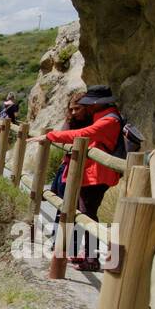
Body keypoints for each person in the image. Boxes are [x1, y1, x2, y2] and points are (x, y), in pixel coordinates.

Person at [30, 85, 124, 270]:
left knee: (88, 214)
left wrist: (50, 136)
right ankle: (85, 255)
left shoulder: (108, 121)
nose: (87, 107)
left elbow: (83, 134)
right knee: (83, 213)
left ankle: (91, 258)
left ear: (97, 104)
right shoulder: (104, 117)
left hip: (97, 175)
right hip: (91, 173)